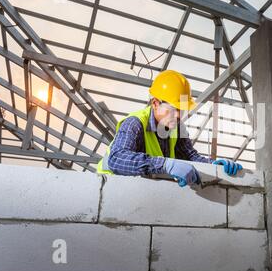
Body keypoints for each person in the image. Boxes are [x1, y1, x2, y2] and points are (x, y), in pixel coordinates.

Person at [96, 70, 243, 187]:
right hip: (109, 187)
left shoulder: (177, 128)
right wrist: (165, 165)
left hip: (142, 192)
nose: (179, 115)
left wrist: (213, 165)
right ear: (155, 103)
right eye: (174, 109)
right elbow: (116, 159)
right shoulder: (135, 123)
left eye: (182, 109)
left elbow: (191, 157)